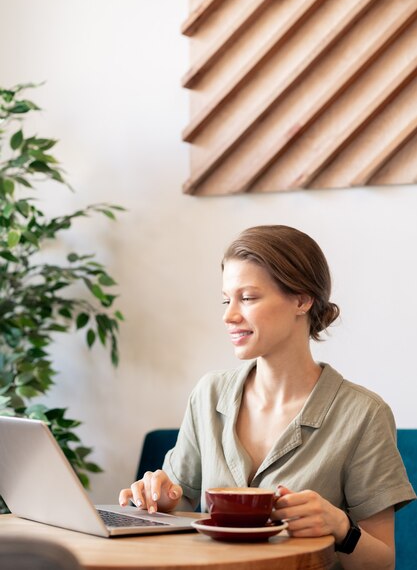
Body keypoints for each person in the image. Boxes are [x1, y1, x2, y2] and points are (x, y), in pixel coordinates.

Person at [119, 225, 415, 570]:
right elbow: (179, 498)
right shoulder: (208, 394)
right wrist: (158, 496)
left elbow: (383, 562)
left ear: (302, 300)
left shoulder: (363, 413)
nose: (229, 315)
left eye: (248, 298)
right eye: (226, 299)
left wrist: (340, 527)